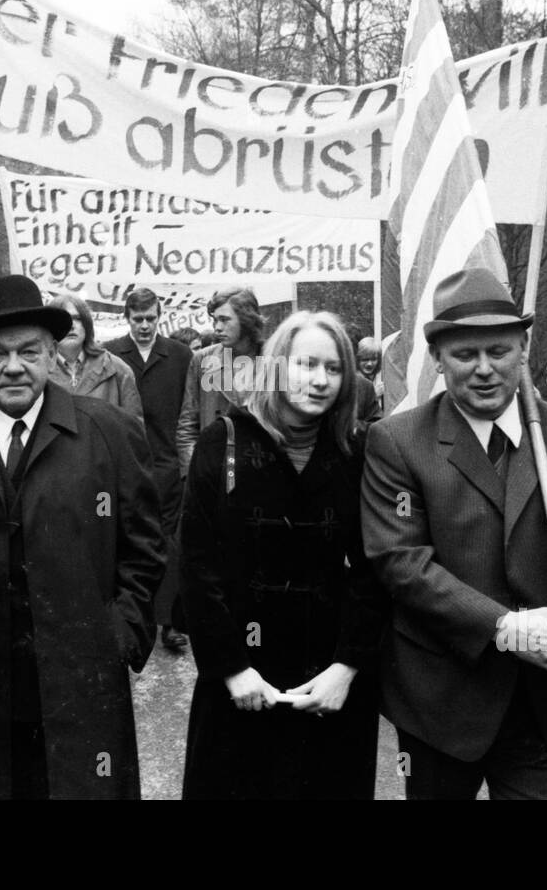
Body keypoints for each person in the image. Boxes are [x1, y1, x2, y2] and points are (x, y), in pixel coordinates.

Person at [361, 268, 547, 800]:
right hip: (441, 702)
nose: (484, 369)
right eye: (465, 355)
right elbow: (400, 561)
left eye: (499, 350)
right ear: (438, 358)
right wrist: (505, 628)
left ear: (524, 348)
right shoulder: (395, 442)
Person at [0, 275, 165, 800]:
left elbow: (145, 549)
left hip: (80, 679)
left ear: (53, 353)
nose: (14, 366)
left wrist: (119, 633)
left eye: (29, 351)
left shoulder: (110, 431)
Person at [180, 311, 386, 799]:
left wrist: (347, 668)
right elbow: (196, 565)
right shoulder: (225, 443)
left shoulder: (359, 451)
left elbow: (374, 568)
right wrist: (231, 668)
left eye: (333, 369)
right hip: (240, 683)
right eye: (304, 364)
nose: (318, 380)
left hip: (330, 686)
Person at [104, 288, 194, 653]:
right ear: (127, 318)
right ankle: (130, 619)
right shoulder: (111, 354)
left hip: (166, 463)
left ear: (160, 316)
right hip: (122, 464)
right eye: (137, 319)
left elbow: (190, 411)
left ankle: (171, 622)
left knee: (169, 543)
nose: (144, 326)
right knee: (127, 541)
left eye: (150, 319)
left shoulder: (180, 355)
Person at [175, 287, 265, 477]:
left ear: (247, 319)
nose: (217, 327)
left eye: (224, 320)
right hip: (215, 472)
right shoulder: (202, 360)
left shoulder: (274, 358)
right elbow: (188, 426)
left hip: (263, 471)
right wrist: (194, 475)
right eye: (215, 320)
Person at [47, 292, 144, 427]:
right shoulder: (39, 370)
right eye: (63, 319)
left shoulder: (116, 368)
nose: (71, 325)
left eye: (77, 318)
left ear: (86, 324)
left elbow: (134, 430)